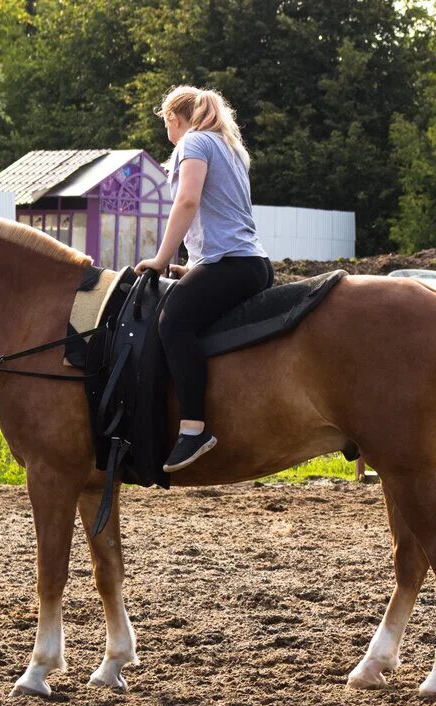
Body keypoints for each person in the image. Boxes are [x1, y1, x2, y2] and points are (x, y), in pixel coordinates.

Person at [136, 84, 273, 473]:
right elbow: (223, 214)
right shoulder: (232, 148)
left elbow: (189, 201)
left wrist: (162, 259)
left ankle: (193, 429)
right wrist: (194, 268)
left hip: (229, 264)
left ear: (173, 120)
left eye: (166, 125)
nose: (168, 133)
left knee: (173, 323)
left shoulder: (193, 142)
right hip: (251, 264)